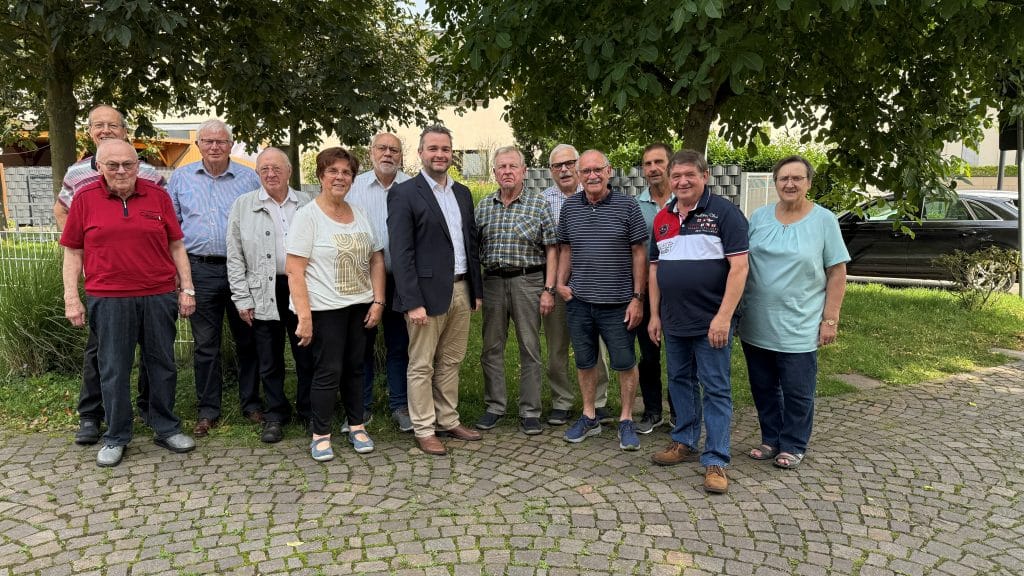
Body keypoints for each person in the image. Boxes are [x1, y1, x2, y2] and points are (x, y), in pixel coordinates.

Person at [60, 139, 196, 467]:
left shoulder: (158, 196)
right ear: (99, 167)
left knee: (162, 365)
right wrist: (71, 299)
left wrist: (187, 288)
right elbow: (73, 252)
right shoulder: (85, 199)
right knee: (113, 369)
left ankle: (165, 426)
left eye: (128, 165)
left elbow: (176, 245)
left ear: (138, 165)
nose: (121, 171)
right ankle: (117, 435)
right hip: (108, 299)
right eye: (113, 165)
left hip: (157, 295)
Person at [55, 105, 165, 446]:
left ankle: (151, 409)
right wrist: (87, 248)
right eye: (98, 125)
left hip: (145, 280)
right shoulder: (76, 174)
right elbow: (62, 211)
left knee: (153, 350)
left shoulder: (148, 174)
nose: (105, 130)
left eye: (112, 125)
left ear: (124, 131)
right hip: (103, 279)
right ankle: (92, 415)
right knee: (101, 352)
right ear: (89, 132)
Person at [648, 149, 749, 494]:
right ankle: (684, 441)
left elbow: (739, 268)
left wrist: (724, 317)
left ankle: (716, 459)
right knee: (679, 381)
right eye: (676, 176)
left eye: (690, 175)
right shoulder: (662, 218)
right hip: (674, 320)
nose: (682, 181)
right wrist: (654, 315)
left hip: (712, 323)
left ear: (704, 176)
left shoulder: (725, 214)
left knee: (716, 389)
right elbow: (655, 269)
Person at [740, 155, 850, 470]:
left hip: (800, 322)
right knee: (763, 386)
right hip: (757, 320)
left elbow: (837, 272)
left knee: (797, 389)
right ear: (775, 183)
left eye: (797, 178)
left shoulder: (824, 220)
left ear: (808, 183)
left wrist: (830, 318)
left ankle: (794, 443)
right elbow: (742, 265)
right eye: (783, 178)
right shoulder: (759, 217)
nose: (789, 184)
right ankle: (771, 438)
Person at [387, 125, 484, 456]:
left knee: (451, 360)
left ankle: (448, 419)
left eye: (445, 149)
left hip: (461, 287)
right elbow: (401, 253)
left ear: (452, 153)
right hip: (424, 296)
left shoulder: (462, 193)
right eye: (433, 149)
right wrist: (412, 301)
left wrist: (476, 290)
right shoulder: (404, 193)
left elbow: (470, 244)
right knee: (422, 363)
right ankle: (424, 428)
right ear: (420, 153)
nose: (440, 154)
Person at [286, 147, 385, 461]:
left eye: (346, 172)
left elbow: (376, 259)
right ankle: (320, 434)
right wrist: (304, 316)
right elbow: (295, 269)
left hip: (360, 306)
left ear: (352, 179)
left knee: (356, 369)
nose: (340, 177)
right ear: (321, 176)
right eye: (333, 171)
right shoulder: (308, 216)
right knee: (328, 371)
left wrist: (378, 301)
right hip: (324, 309)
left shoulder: (360, 213)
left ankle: (356, 426)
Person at [168, 119, 261, 437]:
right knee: (205, 345)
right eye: (207, 141)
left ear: (231, 145)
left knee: (248, 340)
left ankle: (251, 404)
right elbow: (172, 232)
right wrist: (183, 280)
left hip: (242, 270)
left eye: (221, 141)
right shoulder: (180, 178)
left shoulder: (250, 178)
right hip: (199, 270)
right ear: (198, 145)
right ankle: (208, 410)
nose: (214, 147)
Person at [555, 149, 647, 451]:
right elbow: (566, 249)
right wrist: (560, 283)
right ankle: (589, 415)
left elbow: (639, 253)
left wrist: (637, 297)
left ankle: (625, 419)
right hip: (579, 301)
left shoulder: (627, 206)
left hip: (619, 302)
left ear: (609, 172)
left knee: (624, 362)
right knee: (585, 361)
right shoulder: (569, 208)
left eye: (598, 170)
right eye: (586, 171)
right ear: (579, 176)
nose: (592, 176)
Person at [226, 147, 315, 443]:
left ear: (289, 171)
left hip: (301, 287)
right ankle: (276, 414)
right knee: (269, 357)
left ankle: (308, 410)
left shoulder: (307, 203)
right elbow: (235, 256)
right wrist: (242, 298)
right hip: (263, 288)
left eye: (277, 168)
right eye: (264, 169)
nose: (271, 173)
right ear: (257, 174)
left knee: (306, 353)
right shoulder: (243, 205)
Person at [475, 146, 558, 435]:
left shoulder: (538, 205)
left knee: (530, 347)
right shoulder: (484, 206)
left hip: (528, 281)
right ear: (495, 172)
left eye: (513, 166)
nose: (507, 171)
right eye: (501, 167)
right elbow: (475, 250)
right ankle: (495, 406)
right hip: (494, 282)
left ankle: (530, 410)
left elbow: (552, 249)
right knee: (491, 347)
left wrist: (549, 289)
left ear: (524, 171)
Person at [540, 144, 612, 426]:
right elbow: (547, 249)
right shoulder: (542, 201)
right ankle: (561, 400)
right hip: (557, 286)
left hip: (593, 285)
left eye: (570, 163)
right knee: (557, 346)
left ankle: (598, 401)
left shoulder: (596, 195)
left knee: (596, 347)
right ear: (550, 171)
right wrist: (552, 286)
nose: (564, 169)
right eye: (558, 165)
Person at [346, 132, 413, 432]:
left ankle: (401, 406)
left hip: (402, 280)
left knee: (401, 345)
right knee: (361, 347)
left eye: (394, 150)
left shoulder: (414, 186)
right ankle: (361, 409)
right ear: (371, 152)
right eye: (382, 148)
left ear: (401, 155)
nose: (388, 154)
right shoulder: (353, 187)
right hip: (362, 279)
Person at [635, 143, 676, 434]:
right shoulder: (635, 207)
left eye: (658, 162)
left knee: (679, 355)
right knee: (649, 357)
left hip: (679, 294)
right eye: (647, 164)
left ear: (670, 164)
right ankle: (652, 411)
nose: (653, 169)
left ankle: (679, 411)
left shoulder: (686, 201)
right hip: (647, 292)